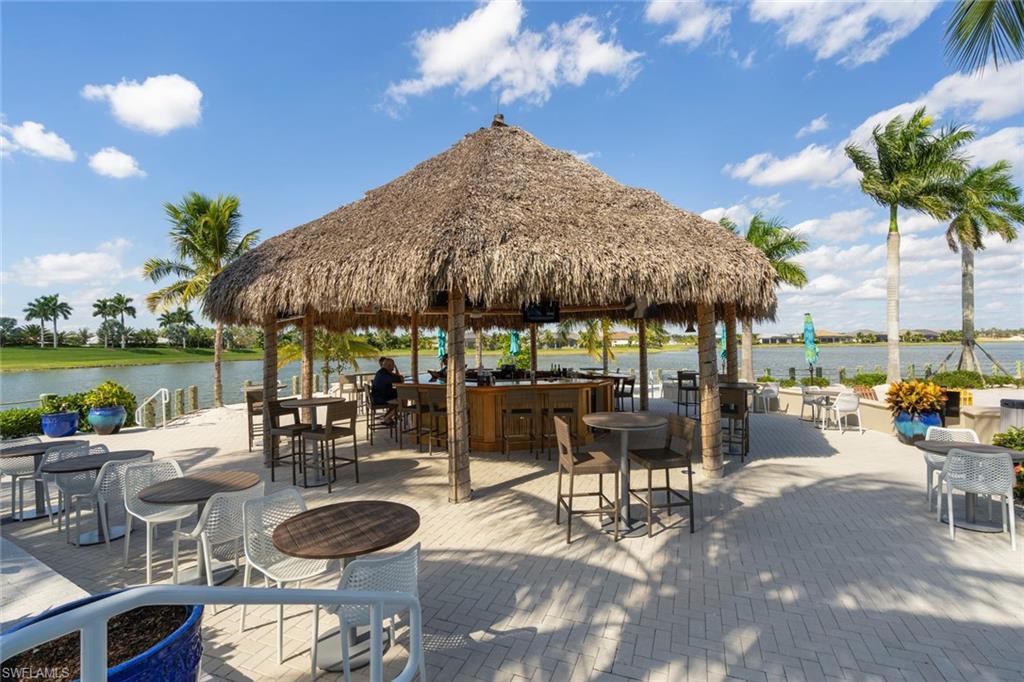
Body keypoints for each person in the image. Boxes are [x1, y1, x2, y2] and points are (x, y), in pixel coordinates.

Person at [371, 357, 403, 423]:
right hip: (380, 398)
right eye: (393, 366)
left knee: (400, 398)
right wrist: (398, 377)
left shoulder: (381, 372)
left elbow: (397, 379)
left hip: (378, 396)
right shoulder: (384, 373)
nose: (393, 368)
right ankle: (386, 418)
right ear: (389, 366)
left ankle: (387, 416)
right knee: (403, 402)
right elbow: (398, 380)